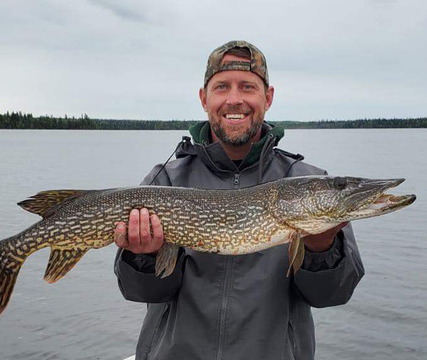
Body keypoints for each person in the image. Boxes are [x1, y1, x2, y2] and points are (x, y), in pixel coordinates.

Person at [114, 40, 364, 360]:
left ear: (268, 98)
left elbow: (333, 294)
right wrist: (144, 259)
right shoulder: (165, 180)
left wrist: (322, 249)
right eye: (222, 87)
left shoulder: (308, 182)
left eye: (247, 86)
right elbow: (140, 292)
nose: (235, 100)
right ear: (205, 99)